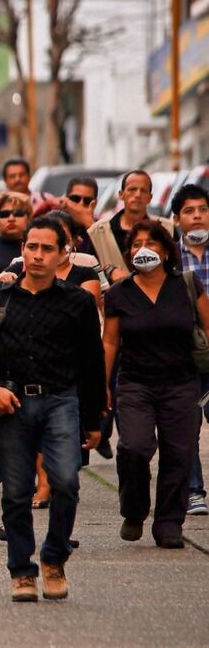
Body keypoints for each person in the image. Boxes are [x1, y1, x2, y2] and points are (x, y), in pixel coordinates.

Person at [0, 216, 104, 602]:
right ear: (23, 249)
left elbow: (92, 364)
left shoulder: (77, 301)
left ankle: (54, 557)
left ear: (64, 254)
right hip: (13, 403)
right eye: (31, 247)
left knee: (65, 482)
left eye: (46, 248)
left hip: (62, 400)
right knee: (16, 491)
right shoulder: (0, 296)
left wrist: (95, 420)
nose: (37, 255)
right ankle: (22, 571)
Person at [104, 220, 207, 549]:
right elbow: (109, 343)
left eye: (150, 242)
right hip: (135, 383)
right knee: (133, 447)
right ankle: (134, 510)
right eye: (135, 244)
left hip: (181, 384)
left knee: (179, 453)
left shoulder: (188, 285)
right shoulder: (119, 293)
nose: (142, 249)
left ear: (165, 250)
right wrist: (102, 385)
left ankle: (168, 523)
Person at [172, 184, 209, 516]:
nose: (197, 216)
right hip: (184, 353)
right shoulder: (168, 257)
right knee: (188, 424)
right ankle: (194, 491)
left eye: (202, 209)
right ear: (177, 218)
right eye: (189, 211)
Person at [88, 170, 174, 281]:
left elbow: (175, 268)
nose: (138, 195)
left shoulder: (167, 228)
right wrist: (109, 271)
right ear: (121, 194)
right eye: (132, 189)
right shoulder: (98, 232)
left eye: (143, 190)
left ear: (150, 197)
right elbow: (89, 274)